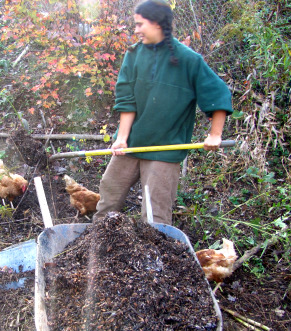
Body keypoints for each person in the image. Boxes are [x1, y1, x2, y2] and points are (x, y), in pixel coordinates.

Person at [93, 0, 233, 225]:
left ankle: (155, 259)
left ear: (158, 23)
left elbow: (217, 94)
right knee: (107, 202)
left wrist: (215, 134)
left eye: (140, 24)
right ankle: (96, 250)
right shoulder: (134, 54)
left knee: (154, 219)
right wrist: (121, 139)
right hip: (131, 145)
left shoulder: (189, 60)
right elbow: (126, 100)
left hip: (165, 150)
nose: (136, 30)